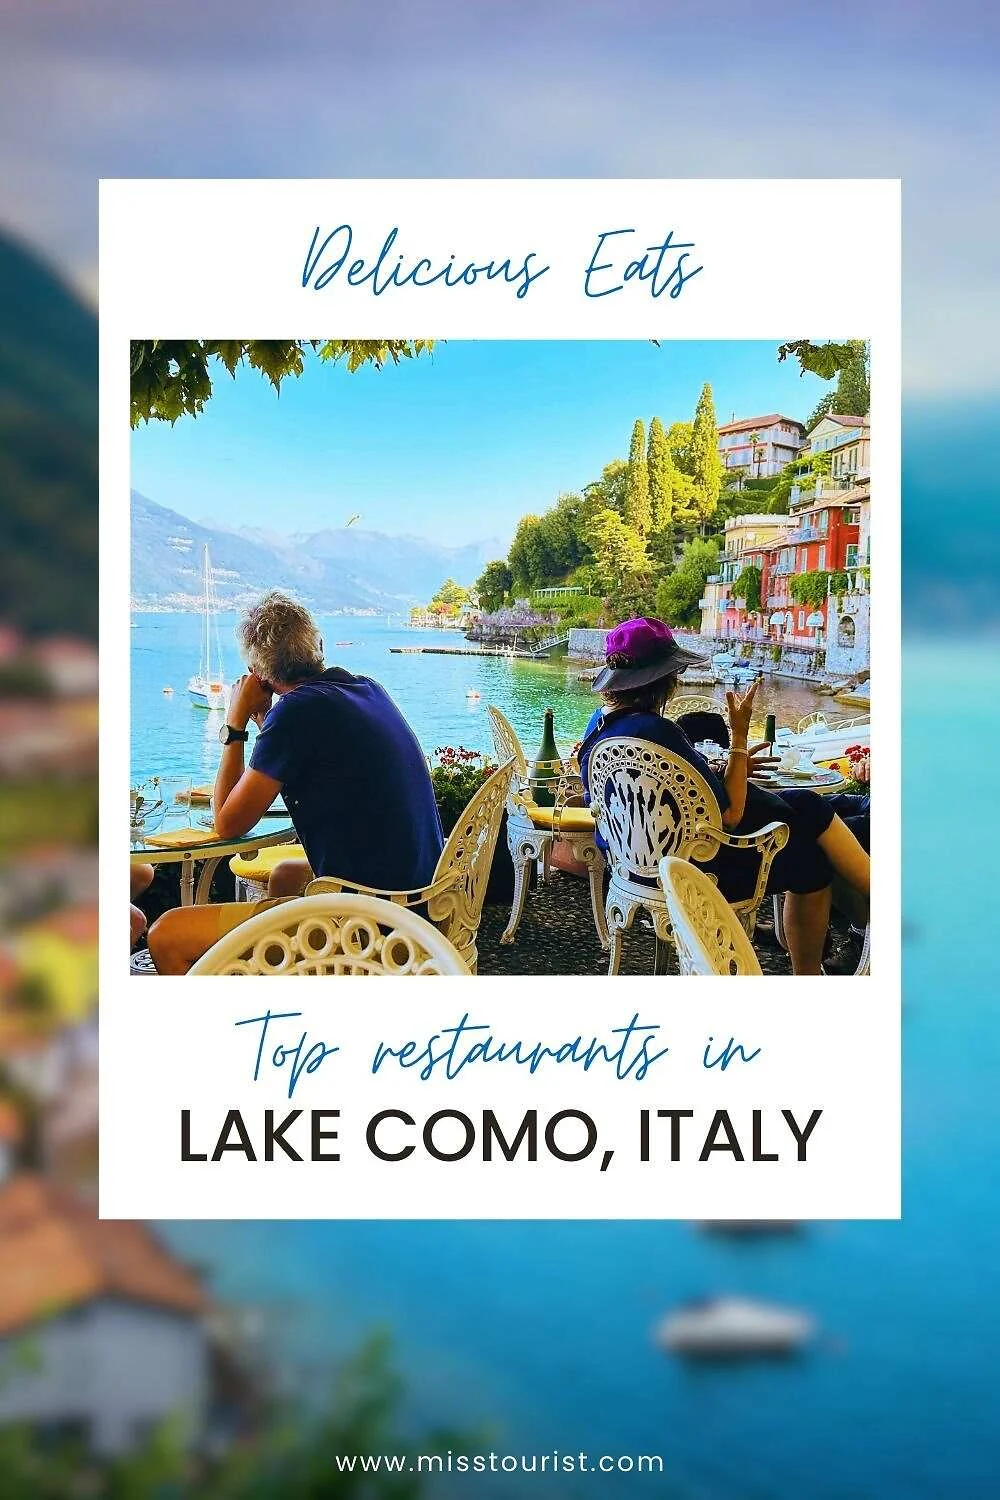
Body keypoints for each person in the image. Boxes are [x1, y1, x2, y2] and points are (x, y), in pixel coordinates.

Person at [148, 592, 443, 974]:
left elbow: (226, 824)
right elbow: (303, 757)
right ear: (317, 645)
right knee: (287, 874)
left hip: (370, 922)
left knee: (166, 933)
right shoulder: (365, 688)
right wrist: (265, 722)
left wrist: (235, 723)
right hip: (419, 898)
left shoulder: (297, 712)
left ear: (258, 672)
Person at [578, 617, 870, 976]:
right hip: (700, 866)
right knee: (810, 848)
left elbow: (670, 789)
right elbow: (730, 815)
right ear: (665, 680)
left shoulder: (602, 726)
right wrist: (740, 737)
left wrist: (727, 770)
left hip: (634, 863)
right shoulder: (658, 730)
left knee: (806, 809)